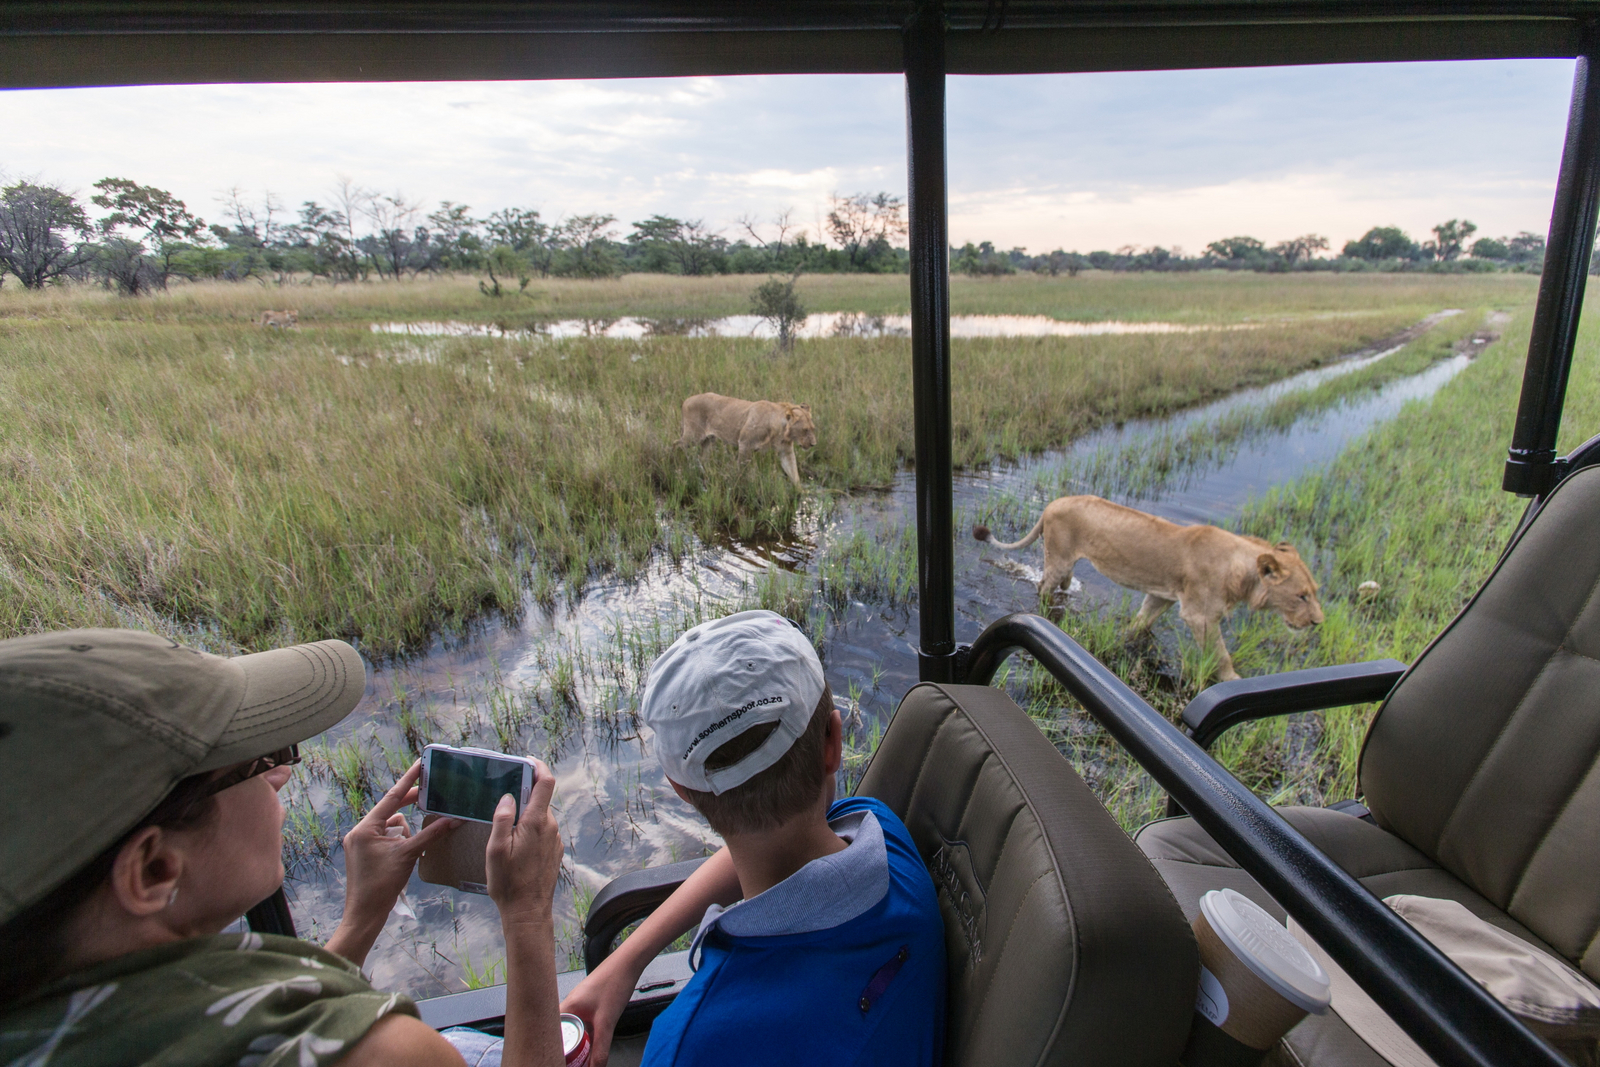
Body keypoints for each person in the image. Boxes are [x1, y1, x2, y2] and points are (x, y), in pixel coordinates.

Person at [0, 628, 566, 1067]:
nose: (282, 775)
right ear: (154, 869)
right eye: (258, 762)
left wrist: (361, 917)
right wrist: (527, 913)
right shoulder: (379, 1054)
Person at [562, 610, 946, 1067]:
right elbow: (785, 841)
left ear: (681, 791)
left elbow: (763, 845)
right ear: (833, 743)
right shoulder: (886, 838)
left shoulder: (687, 1045)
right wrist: (626, 961)